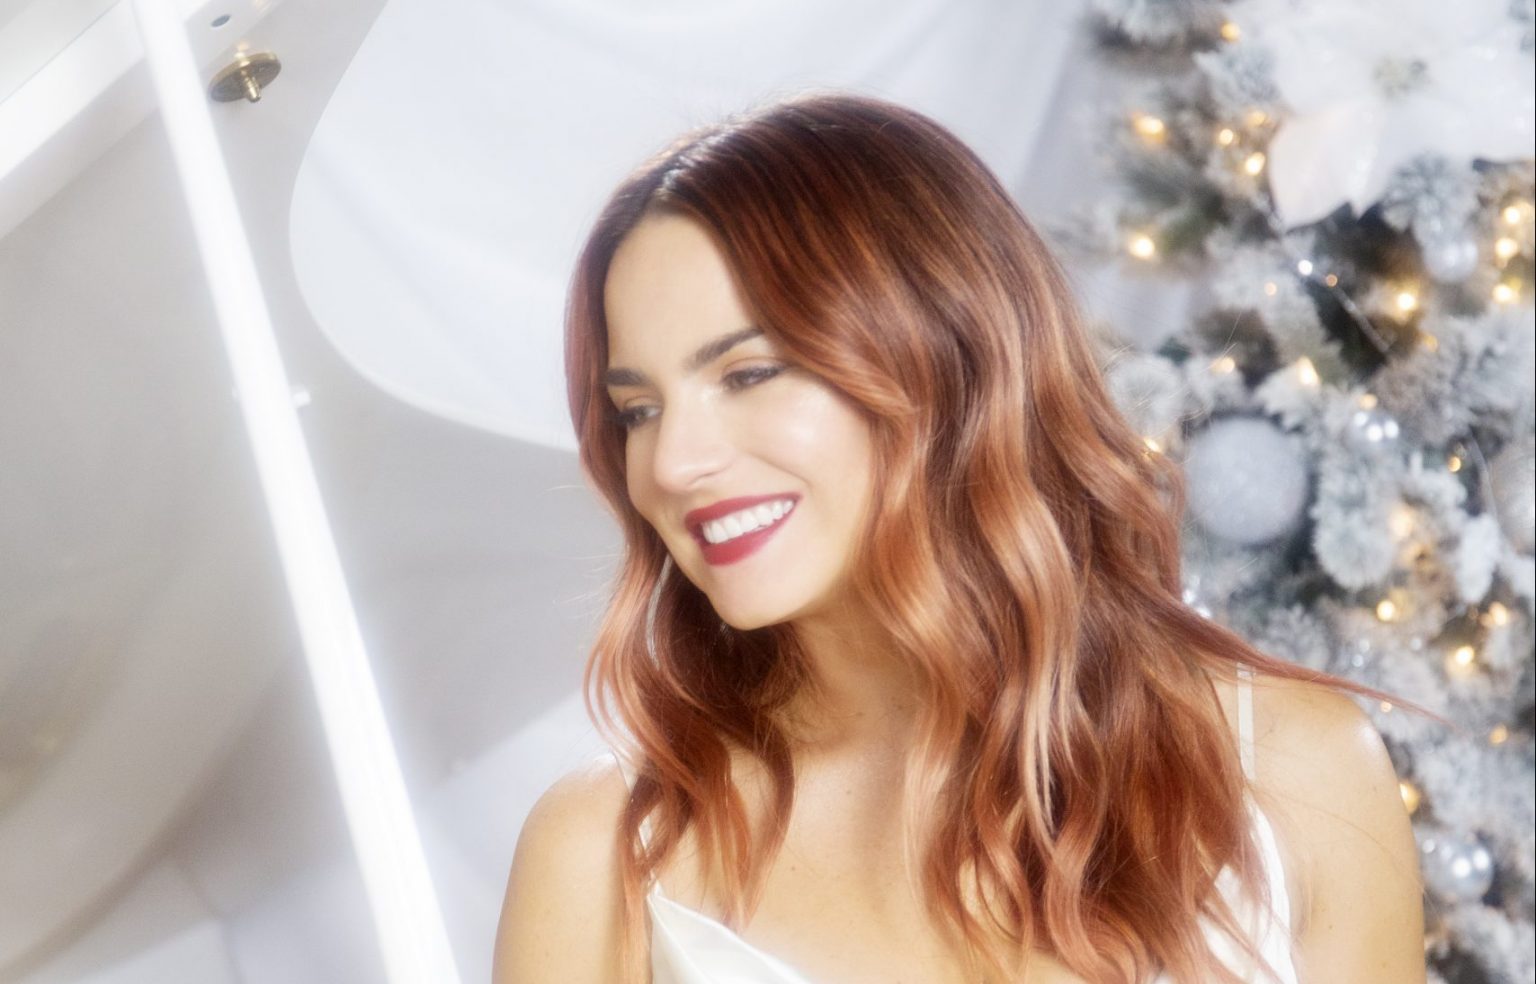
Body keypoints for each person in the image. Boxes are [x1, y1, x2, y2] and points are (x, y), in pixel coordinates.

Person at [494, 92, 1435, 983]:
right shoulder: (605, 857)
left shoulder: (1296, 773)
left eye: (749, 374)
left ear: (948, 360)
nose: (672, 462)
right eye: (638, 410)